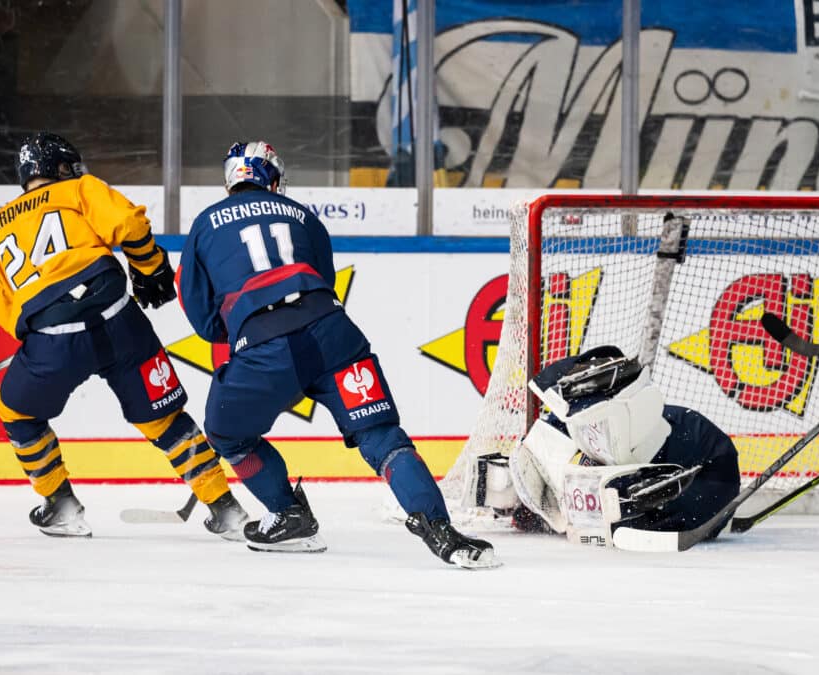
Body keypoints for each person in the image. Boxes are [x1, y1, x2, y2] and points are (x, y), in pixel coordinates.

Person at [175, 140, 498, 568]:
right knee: (381, 435)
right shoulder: (303, 215)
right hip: (334, 334)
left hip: (264, 344)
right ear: (269, 176)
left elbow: (199, 311)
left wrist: (238, 329)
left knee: (226, 434)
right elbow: (324, 282)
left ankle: (288, 515)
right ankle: (441, 530)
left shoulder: (204, 222)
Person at [0, 131, 248, 539]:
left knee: (16, 413)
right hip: (120, 319)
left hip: (54, 337)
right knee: (165, 419)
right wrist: (149, 267)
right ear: (62, 168)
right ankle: (226, 510)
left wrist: (31, 334)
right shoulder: (79, 189)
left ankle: (61, 505)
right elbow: (127, 223)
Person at [503, 346, 740, 546]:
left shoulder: (687, 443)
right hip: (691, 469)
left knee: (620, 513)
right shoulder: (573, 424)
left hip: (710, 474)